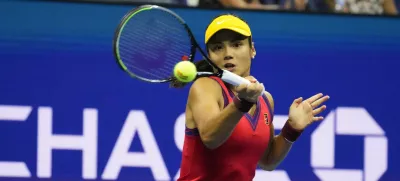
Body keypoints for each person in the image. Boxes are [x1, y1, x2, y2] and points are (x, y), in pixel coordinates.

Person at [173, 14, 330, 181]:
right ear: (210, 56)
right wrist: (242, 103)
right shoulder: (205, 87)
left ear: (252, 50)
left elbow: (268, 161)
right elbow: (211, 138)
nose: (228, 54)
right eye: (218, 47)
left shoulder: (265, 99)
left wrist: (291, 129)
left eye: (236, 44)